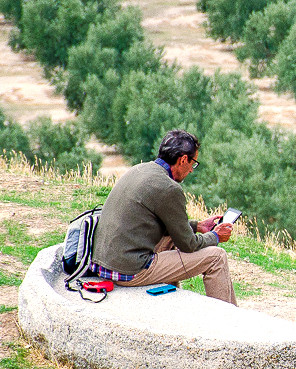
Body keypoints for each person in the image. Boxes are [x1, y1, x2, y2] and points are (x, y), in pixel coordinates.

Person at [87, 129, 236, 304]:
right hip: (129, 271)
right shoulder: (169, 188)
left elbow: (162, 223)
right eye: (193, 163)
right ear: (183, 160)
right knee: (216, 257)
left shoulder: (140, 169)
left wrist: (198, 226)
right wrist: (216, 236)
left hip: (105, 263)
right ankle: (228, 322)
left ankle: (171, 303)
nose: (191, 170)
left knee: (172, 239)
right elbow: (189, 244)